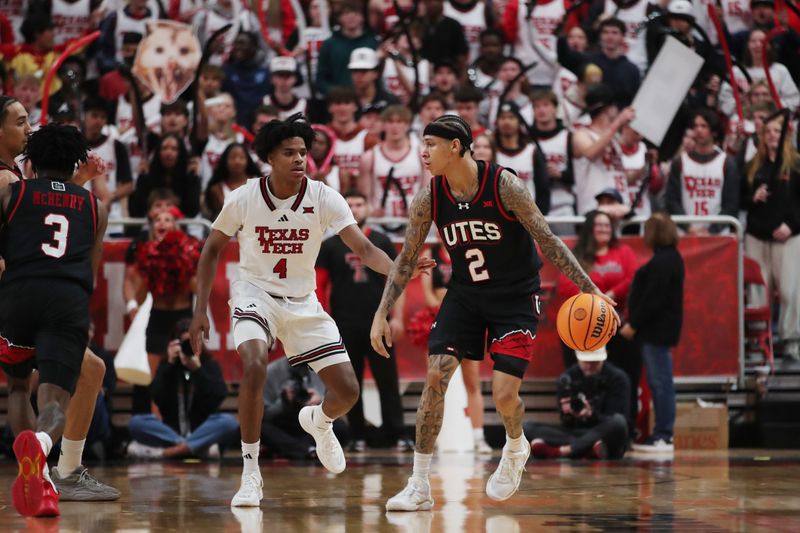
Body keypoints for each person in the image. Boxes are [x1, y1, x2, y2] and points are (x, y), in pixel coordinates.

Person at [370, 114, 618, 511]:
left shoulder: (504, 185)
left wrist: (592, 289)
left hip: (515, 298)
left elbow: (548, 240)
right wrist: (381, 312)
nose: (424, 152)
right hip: (465, 295)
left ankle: (515, 447)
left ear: (456, 146)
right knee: (435, 375)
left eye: (431, 144)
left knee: (504, 396)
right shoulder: (429, 198)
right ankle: (419, 484)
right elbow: (405, 259)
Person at [188, 115, 433, 507]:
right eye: (289, 153)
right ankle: (251, 475)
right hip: (255, 293)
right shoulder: (244, 197)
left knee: (349, 392)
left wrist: (402, 266)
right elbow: (211, 249)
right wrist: (199, 310)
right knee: (253, 364)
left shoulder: (323, 196)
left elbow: (365, 250)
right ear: (269, 157)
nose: (299, 159)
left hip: (303, 302)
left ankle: (319, 422)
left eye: (303, 152)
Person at [0, 99, 119, 503]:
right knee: (54, 398)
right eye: (20, 120)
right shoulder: (93, 206)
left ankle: (40, 475)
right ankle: (47, 454)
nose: (27, 126)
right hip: (66, 296)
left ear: (32, 157)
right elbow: (92, 262)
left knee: (18, 387)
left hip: (18, 295)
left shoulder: (14, 191)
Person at [316, 190, 409, 451]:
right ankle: (357, 435)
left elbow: (397, 282)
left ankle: (397, 433)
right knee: (350, 382)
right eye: (350, 204)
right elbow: (320, 287)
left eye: (359, 203)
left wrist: (398, 317)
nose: (355, 209)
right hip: (344, 324)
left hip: (379, 323)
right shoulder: (330, 245)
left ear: (369, 208)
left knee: (388, 380)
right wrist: (325, 323)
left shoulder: (382, 241)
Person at [556, 209, 640, 434]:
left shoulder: (623, 252)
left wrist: (610, 295)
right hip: (583, 328)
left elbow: (633, 279)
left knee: (623, 377)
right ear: (589, 229)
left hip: (616, 326)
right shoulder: (578, 255)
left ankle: (624, 428)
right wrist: (594, 299)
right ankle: (578, 426)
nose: (604, 229)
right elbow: (565, 285)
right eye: (599, 225)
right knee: (579, 377)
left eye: (607, 225)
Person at [126, 319, 239, 459]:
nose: (189, 347)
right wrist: (169, 365)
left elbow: (218, 396)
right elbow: (157, 397)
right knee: (136, 422)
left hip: (202, 430)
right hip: (172, 433)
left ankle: (167, 453)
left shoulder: (209, 365)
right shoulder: (168, 367)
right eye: (185, 343)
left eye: (193, 342)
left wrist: (198, 370)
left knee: (228, 422)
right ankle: (196, 449)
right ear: (175, 345)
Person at [621, 213, 685, 453]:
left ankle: (664, 435)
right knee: (659, 382)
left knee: (661, 383)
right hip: (655, 331)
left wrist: (634, 324)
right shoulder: (668, 259)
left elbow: (652, 299)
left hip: (656, 332)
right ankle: (662, 434)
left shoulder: (664, 262)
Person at [741, 112, 800, 360]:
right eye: (768, 132)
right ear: (762, 137)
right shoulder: (753, 167)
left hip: (787, 236)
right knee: (757, 290)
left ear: (785, 135)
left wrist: (792, 225)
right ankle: (757, 338)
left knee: (789, 290)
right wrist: (753, 198)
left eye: (777, 131)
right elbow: (739, 199)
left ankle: (791, 338)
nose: (772, 136)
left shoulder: (796, 165)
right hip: (757, 236)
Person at [525, 347, 631, 460]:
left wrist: (591, 415)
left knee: (618, 423)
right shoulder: (568, 378)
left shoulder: (618, 378)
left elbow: (618, 418)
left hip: (603, 431)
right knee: (526, 428)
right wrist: (568, 414)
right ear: (577, 358)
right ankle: (588, 450)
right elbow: (567, 422)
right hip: (577, 432)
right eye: (586, 362)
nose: (589, 366)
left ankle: (564, 451)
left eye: (594, 362)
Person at [665, 108, 741, 235]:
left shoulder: (727, 163)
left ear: (714, 132)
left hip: (717, 236)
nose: (698, 130)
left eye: (703, 126)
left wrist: (711, 230)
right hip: (686, 234)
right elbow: (672, 201)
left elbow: (731, 204)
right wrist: (688, 227)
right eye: (695, 126)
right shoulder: (679, 162)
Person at [261, 357, 350, 459]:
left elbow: (332, 409)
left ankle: (296, 449)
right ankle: (309, 449)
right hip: (282, 422)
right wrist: (284, 402)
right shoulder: (270, 371)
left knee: (340, 427)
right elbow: (265, 414)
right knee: (261, 429)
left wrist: (320, 401)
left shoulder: (322, 370)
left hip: (311, 422)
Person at [358, 105, 427, 219]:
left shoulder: (422, 154)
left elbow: (428, 193)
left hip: (414, 220)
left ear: (408, 125)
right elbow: (365, 199)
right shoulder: (369, 157)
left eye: (400, 122)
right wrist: (371, 210)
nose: (395, 126)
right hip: (380, 222)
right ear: (383, 125)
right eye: (390, 122)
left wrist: (418, 209)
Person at [204, 142, 262, 220]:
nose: (237, 161)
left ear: (247, 160)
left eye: (241, 157)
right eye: (232, 157)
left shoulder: (258, 183)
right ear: (225, 161)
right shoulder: (217, 189)